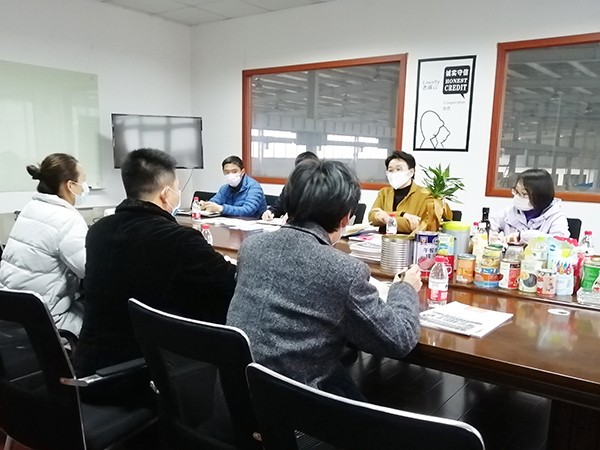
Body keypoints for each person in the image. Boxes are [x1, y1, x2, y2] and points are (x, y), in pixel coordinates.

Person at [227, 159, 422, 400]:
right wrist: (404, 288)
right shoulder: (345, 271)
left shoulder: (251, 247)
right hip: (298, 405)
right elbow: (399, 339)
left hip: (238, 391)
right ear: (345, 218)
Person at [73, 148, 236, 403]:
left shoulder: (99, 231)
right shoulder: (178, 239)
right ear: (166, 194)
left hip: (88, 368)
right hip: (137, 378)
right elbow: (231, 283)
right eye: (177, 189)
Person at [0, 153, 88, 337]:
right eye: (83, 181)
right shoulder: (67, 219)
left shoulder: (32, 208)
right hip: (47, 321)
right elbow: (90, 271)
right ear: (70, 185)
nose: (85, 187)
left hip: (12, 314)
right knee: (107, 329)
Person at [368, 151, 451, 233]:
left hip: (409, 239)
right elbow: (372, 217)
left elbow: (420, 225)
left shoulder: (425, 194)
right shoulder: (384, 192)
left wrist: (388, 219)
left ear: (411, 172)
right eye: (390, 170)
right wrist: (402, 214)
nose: (394, 173)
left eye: (398, 169)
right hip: (382, 239)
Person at [490, 169, 569, 243]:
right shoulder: (509, 212)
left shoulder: (556, 217)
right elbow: (489, 225)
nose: (517, 196)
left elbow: (560, 241)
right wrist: (490, 236)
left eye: (524, 194)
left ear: (540, 196)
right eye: (516, 191)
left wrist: (522, 236)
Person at [201, 156, 267, 218]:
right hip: (230, 223)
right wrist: (205, 205)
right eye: (227, 172)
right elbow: (214, 201)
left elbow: (248, 211)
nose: (230, 175)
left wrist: (222, 208)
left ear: (242, 172)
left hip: (252, 223)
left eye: (234, 171)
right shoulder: (225, 188)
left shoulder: (254, 187)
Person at [261, 151, 319, 221]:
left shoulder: (321, 190)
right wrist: (270, 212)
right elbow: (277, 208)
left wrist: (293, 219)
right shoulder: (290, 187)